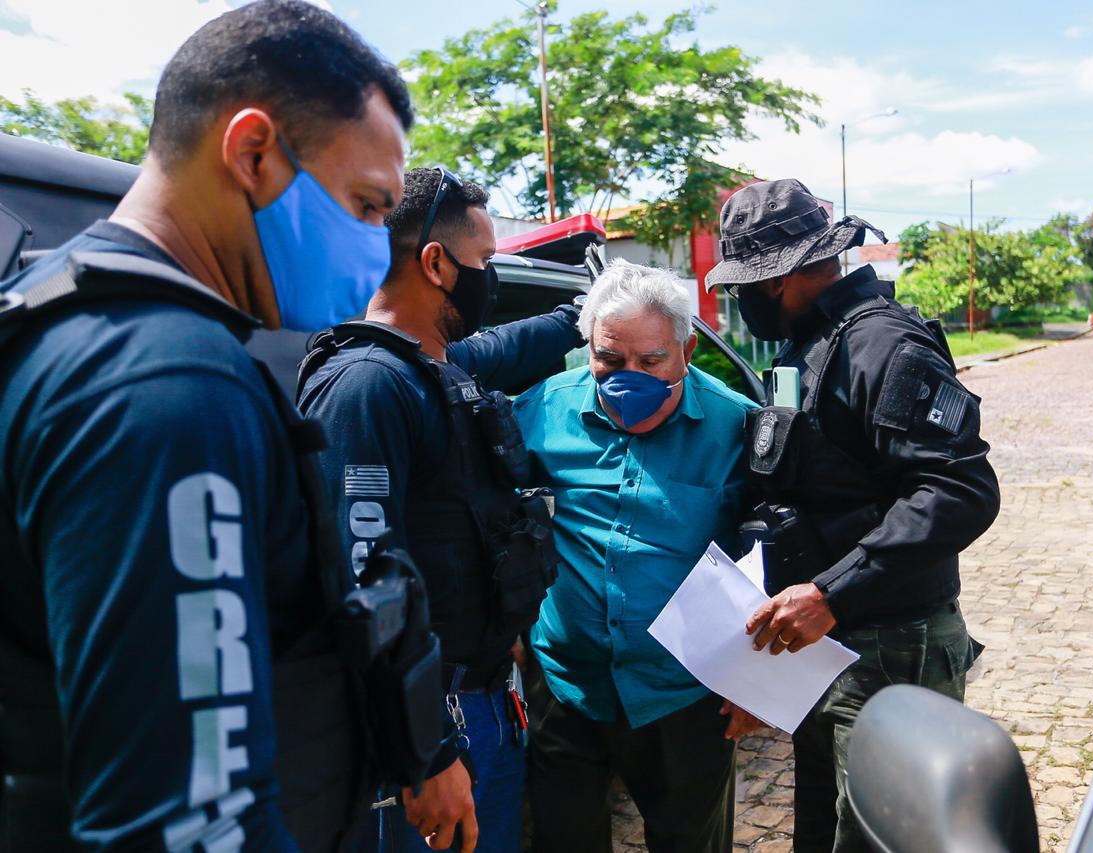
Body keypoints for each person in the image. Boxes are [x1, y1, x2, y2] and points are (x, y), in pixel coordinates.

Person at [0, 2, 428, 849]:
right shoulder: (164, 384)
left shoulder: (63, 323)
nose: (380, 250)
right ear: (253, 152)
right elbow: (186, 820)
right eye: (368, 206)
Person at [704, 178, 1001, 853]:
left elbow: (961, 488)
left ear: (775, 279)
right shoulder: (806, 344)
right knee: (826, 830)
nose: (741, 300)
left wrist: (832, 592)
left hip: (890, 649)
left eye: (743, 285)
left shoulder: (883, 345)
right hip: (823, 649)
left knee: (889, 836)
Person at [296, 166, 583, 853]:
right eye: (485, 260)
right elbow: (366, 582)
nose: (492, 277)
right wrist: (425, 751)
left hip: (481, 700)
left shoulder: (434, 365)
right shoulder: (367, 386)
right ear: (435, 262)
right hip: (431, 724)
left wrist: (581, 315)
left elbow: (510, 350)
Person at [511, 261, 760, 853]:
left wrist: (755, 680)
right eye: (609, 361)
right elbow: (494, 515)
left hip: (685, 692)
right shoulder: (542, 410)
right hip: (567, 685)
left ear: (686, 348)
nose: (629, 377)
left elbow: (767, 558)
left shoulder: (736, 425)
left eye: (650, 363)